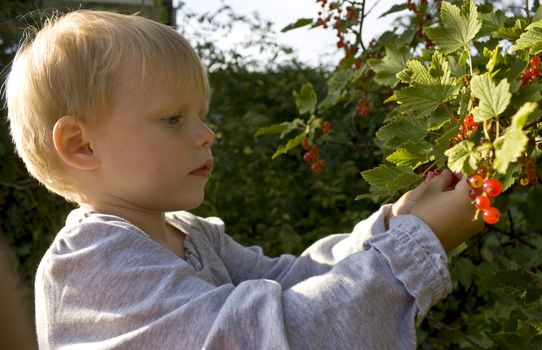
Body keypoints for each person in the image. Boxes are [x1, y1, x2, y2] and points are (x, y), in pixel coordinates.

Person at [5, 10, 483, 349]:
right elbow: (272, 337)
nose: (207, 135)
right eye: (173, 118)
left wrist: (393, 226)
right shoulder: (92, 263)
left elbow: (297, 280)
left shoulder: (191, 234)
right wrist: (413, 249)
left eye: (202, 116)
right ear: (81, 146)